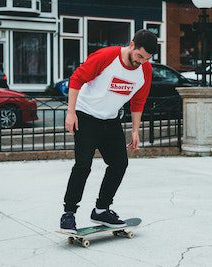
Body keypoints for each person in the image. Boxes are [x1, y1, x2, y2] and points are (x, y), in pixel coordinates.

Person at [60, 29, 157, 233]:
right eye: (139, 56)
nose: (140, 62)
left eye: (146, 59)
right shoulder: (106, 57)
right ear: (131, 45)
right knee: (83, 165)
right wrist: (71, 113)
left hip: (111, 119)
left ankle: (102, 209)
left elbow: (138, 101)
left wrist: (135, 131)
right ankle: (68, 214)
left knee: (120, 163)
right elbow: (76, 79)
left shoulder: (144, 70)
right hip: (85, 115)